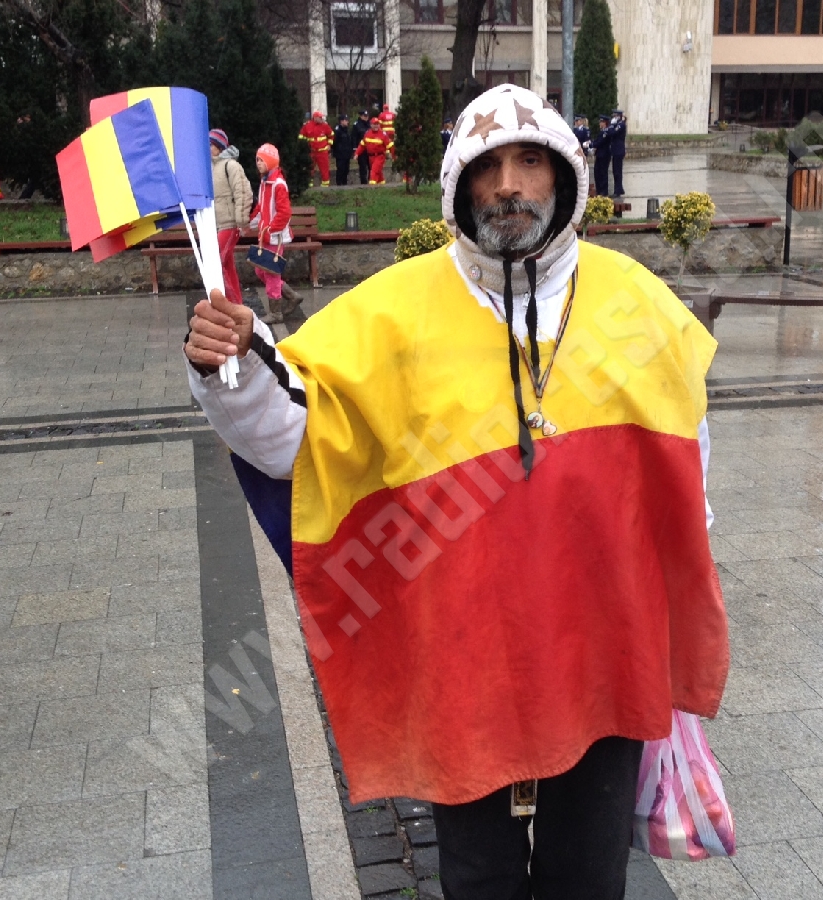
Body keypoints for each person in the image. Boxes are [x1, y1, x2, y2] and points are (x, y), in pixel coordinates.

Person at [184, 83, 728, 899]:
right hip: (465, 651)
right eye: (488, 167)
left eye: (530, 161)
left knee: (589, 875)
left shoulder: (638, 306)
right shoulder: (393, 312)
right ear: (460, 184)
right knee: (479, 879)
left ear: (564, 175)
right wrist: (232, 366)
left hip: (605, 645)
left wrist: (681, 605)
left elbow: (688, 474)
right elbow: (296, 437)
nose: (509, 185)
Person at [249, 143, 293, 324]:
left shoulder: (278, 184)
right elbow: (261, 207)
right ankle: (291, 296)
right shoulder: (264, 182)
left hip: (275, 237)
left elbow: (284, 212)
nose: (258, 163)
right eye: (257, 160)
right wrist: (249, 224)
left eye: (261, 160)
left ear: (270, 162)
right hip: (266, 235)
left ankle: (276, 313)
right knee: (261, 270)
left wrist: (270, 229)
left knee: (271, 273)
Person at [210, 128, 253, 304]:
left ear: (220, 147)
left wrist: (241, 221)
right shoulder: (211, 167)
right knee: (227, 265)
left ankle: (232, 304)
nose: (208, 148)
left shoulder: (231, 166)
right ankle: (236, 302)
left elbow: (243, 193)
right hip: (220, 224)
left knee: (216, 263)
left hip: (229, 224)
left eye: (211, 145)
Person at [300, 110, 334, 187]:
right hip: (311, 151)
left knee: (324, 169)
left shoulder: (325, 126)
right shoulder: (307, 126)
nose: (322, 119)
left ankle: (325, 185)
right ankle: (309, 185)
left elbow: (331, 135)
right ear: (315, 118)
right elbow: (301, 137)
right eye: (320, 117)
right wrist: (304, 147)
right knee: (309, 168)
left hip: (322, 151)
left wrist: (329, 145)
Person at [356, 117, 392, 184]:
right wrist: (357, 153)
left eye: (377, 124)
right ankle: (381, 183)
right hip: (371, 157)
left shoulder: (383, 134)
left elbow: (390, 145)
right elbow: (362, 145)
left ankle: (372, 185)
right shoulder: (367, 134)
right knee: (378, 172)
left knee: (374, 171)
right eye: (374, 124)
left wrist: (394, 155)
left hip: (380, 156)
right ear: (371, 125)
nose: (376, 126)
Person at [589, 113, 612, 196]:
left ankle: (603, 191)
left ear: (604, 123)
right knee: (597, 172)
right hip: (599, 155)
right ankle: (599, 190)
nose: (599, 124)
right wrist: (591, 143)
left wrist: (590, 145)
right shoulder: (602, 132)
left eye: (601, 122)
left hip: (604, 155)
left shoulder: (606, 132)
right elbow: (597, 141)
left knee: (603, 173)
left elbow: (599, 142)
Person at [608, 109, 628, 196]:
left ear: (618, 116)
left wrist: (612, 125)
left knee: (617, 171)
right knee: (615, 170)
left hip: (618, 151)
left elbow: (612, 133)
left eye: (615, 116)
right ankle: (619, 188)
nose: (613, 117)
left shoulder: (621, 125)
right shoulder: (618, 124)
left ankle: (618, 190)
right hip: (616, 150)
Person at [333, 114, 354, 186]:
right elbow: (334, 142)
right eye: (346, 120)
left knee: (346, 170)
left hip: (347, 154)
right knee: (340, 169)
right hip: (340, 154)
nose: (347, 122)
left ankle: (344, 183)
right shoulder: (337, 131)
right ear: (341, 121)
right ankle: (339, 184)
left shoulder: (347, 130)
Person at [352, 110, 372, 184]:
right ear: (361, 116)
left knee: (371, 166)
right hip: (361, 149)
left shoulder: (370, 124)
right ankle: (363, 183)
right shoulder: (357, 125)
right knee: (363, 167)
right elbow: (354, 137)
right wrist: (355, 149)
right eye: (364, 116)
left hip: (370, 149)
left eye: (367, 116)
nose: (366, 117)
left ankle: (371, 181)